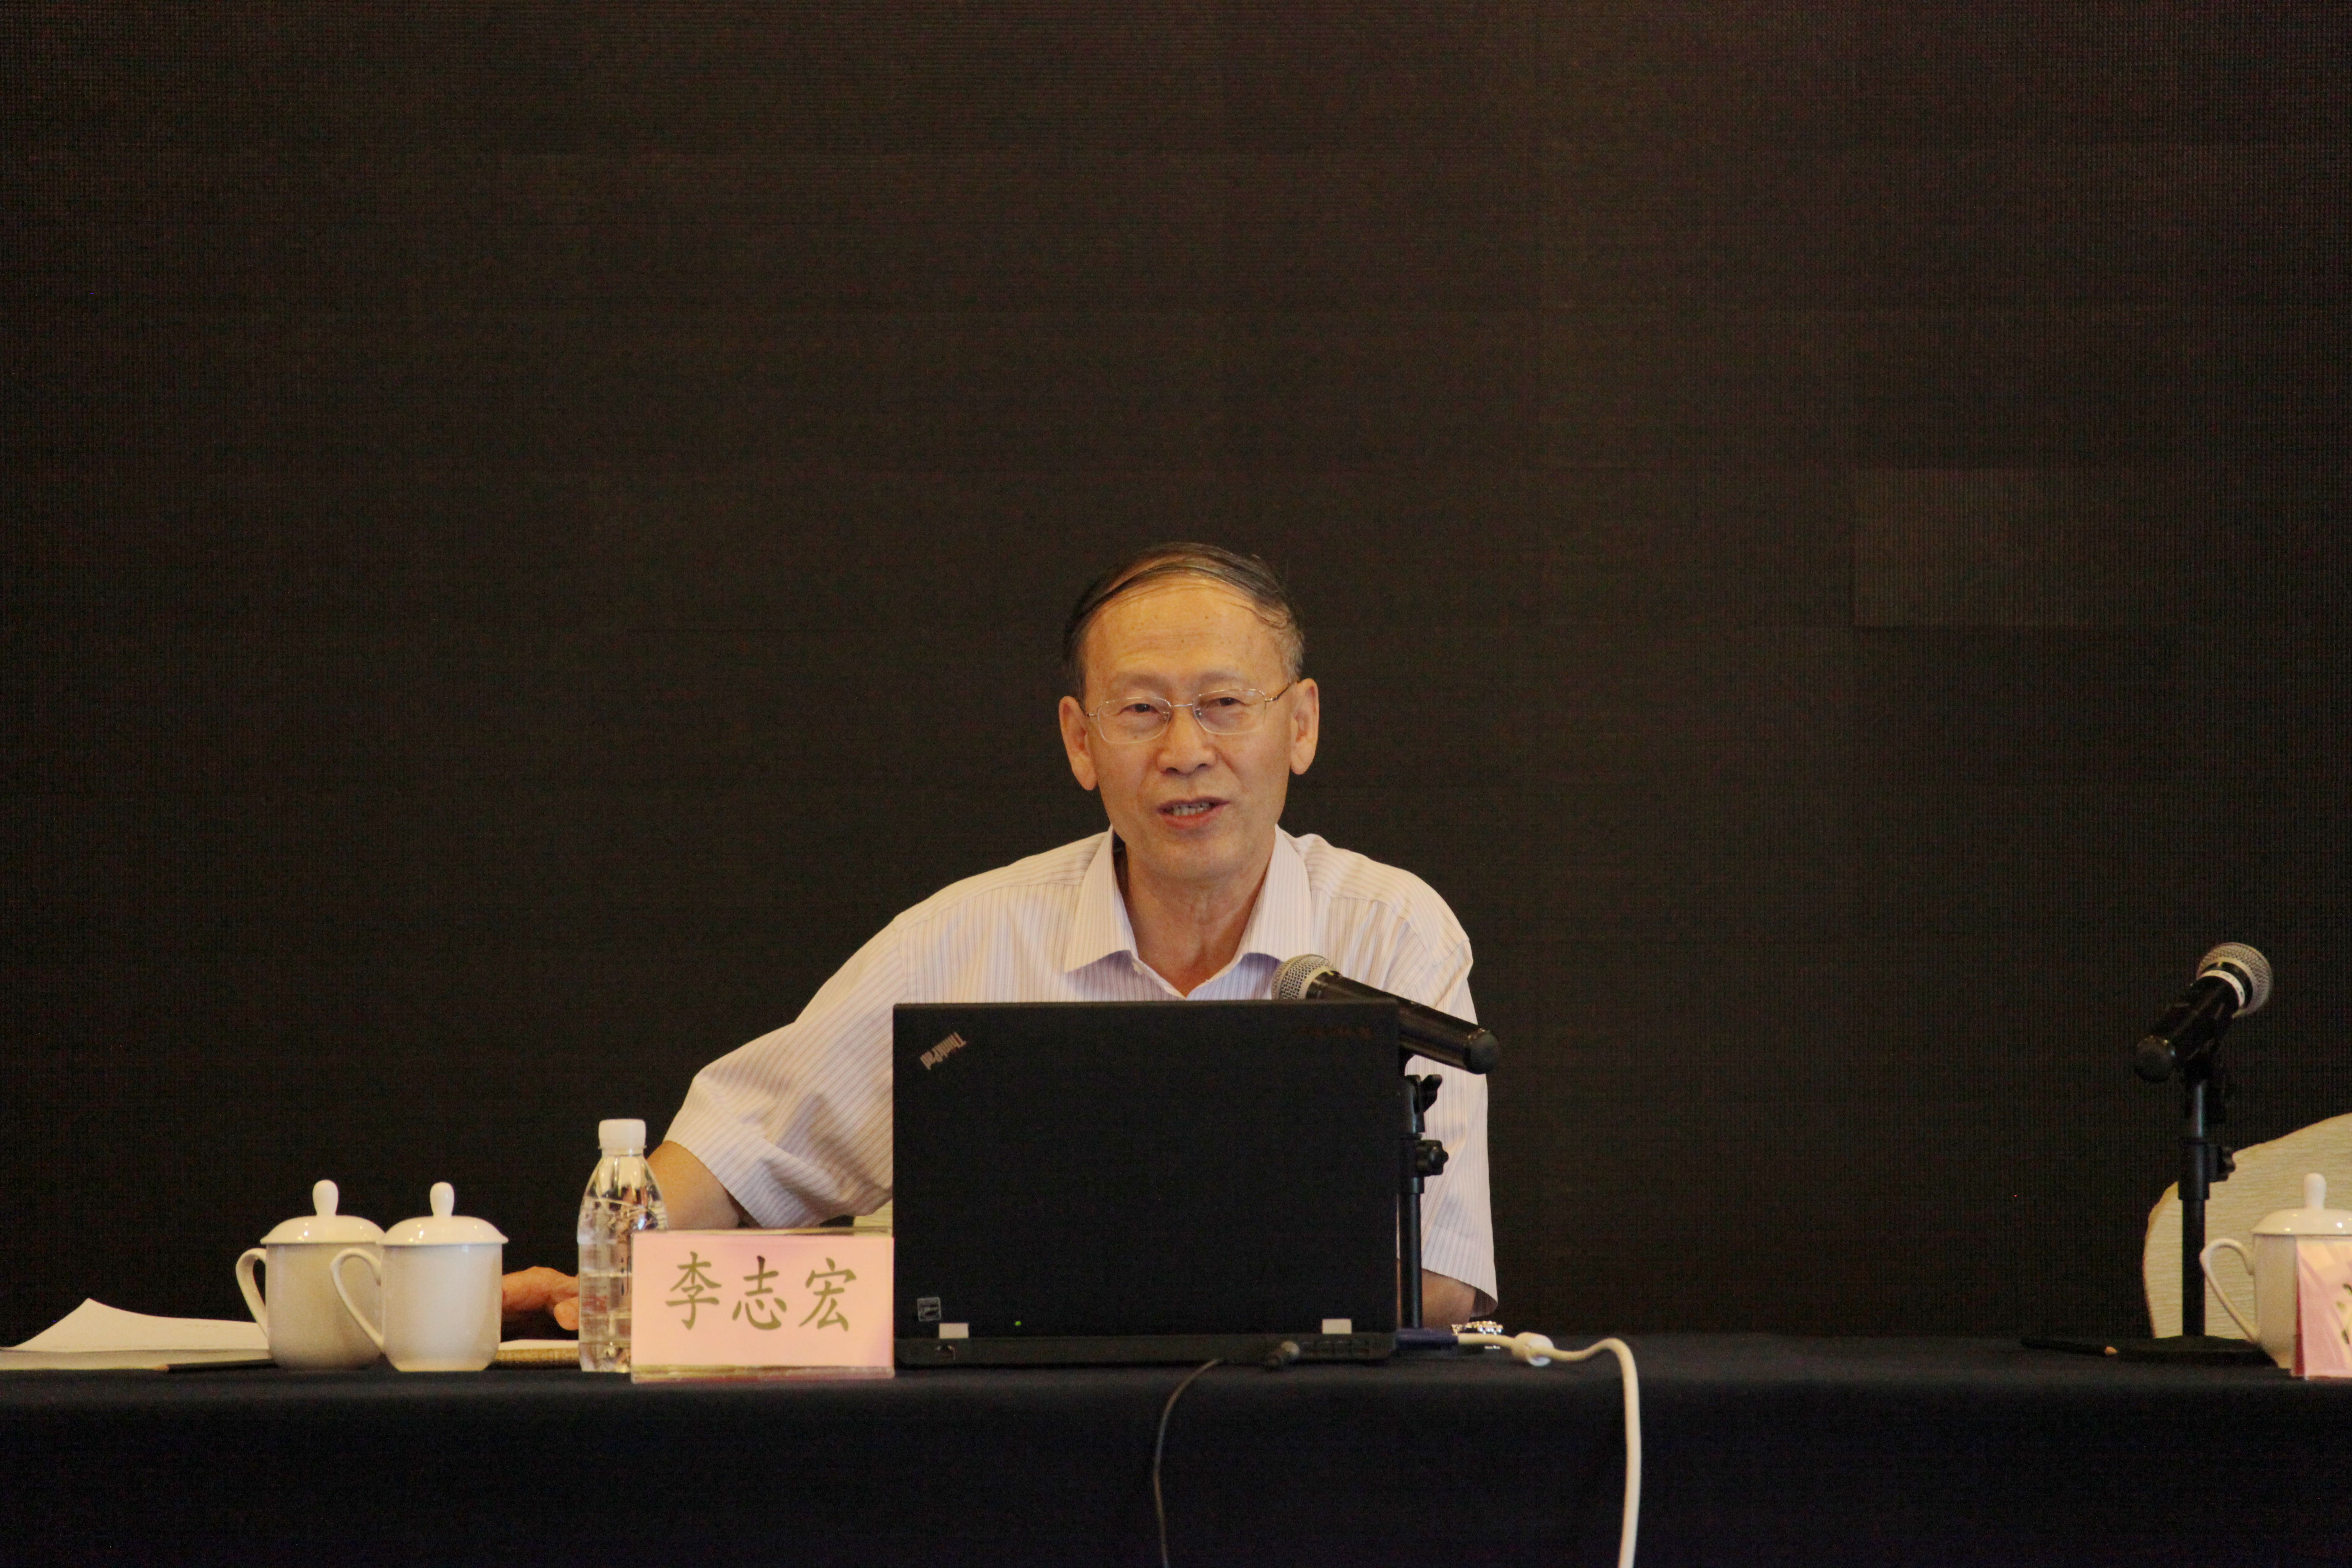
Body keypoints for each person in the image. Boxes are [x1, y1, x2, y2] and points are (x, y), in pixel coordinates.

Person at [504, 544, 1494, 1330]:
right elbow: (736, 1150)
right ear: (1080, 741)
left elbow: (1443, 1281)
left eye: (1226, 705)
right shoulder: (964, 938)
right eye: (1141, 710)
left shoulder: (1389, 932)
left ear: (1302, 725)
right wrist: (614, 1270)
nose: (1186, 751)